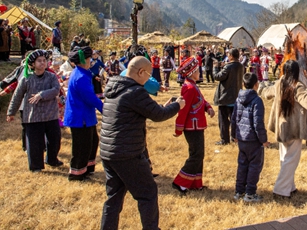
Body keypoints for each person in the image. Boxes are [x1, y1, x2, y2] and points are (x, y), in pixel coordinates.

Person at [100, 56, 185, 230]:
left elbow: (148, 110)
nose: (149, 79)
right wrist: (177, 106)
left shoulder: (114, 87)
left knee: (114, 197)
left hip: (109, 151)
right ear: (141, 72)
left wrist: (163, 106)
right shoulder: (135, 92)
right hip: (127, 153)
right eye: (149, 75)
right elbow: (158, 115)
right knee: (147, 194)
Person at [262, 60, 307, 197]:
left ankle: (290, 187)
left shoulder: (279, 83)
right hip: (294, 128)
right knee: (291, 160)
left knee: (285, 158)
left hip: (282, 126)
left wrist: (260, 89)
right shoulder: (297, 86)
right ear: (296, 72)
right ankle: (281, 190)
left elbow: (267, 93)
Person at [6, 50, 63, 171]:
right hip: (33, 116)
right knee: (35, 143)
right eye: (39, 61)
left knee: (55, 140)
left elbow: (56, 90)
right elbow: (17, 96)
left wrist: (41, 95)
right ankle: (36, 166)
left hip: (51, 115)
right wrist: (11, 112)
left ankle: (52, 159)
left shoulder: (51, 77)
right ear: (32, 64)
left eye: (44, 60)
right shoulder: (26, 79)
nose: (42, 63)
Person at [172, 56, 215, 194]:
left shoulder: (193, 86)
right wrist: (178, 128)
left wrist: (208, 108)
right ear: (192, 73)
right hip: (192, 127)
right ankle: (180, 182)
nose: (199, 72)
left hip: (197, 126)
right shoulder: (190, 88)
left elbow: (201, 100)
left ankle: (195, 183)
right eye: (197, 71)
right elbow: (183, 110)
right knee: (196, 155)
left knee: (198, 154)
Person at [64, 46, 104, 181]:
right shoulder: (80, 77)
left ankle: (87, 168)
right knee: (82, 146)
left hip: (86, 115)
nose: (91, 61)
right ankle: (76, 173)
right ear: (83, 60)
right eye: (89, 58)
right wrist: (104, 109)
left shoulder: (82, 73)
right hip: (80, 116)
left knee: (92, 142)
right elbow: (90, 97)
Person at [231, 73, 269, 202]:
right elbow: (258, 123)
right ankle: (250, 194)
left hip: (242, 138)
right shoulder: (257, 100)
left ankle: (239, 192)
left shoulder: (238, 99)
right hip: (253, 140)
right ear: (256, 85)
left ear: (243, 84)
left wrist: (234, 135)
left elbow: (234, 119)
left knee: (242, 165)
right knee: (254, 166)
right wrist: (264, 140)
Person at [213, 48, 244, 145]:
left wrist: (215, 68)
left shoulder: (228, 67)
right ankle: (234, 137)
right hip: (235, 96)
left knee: (223, 120)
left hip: (225, 97)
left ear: (231, 56)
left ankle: (224, 139)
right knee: (234, 120)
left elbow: (218, 77)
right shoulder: (240, 66)